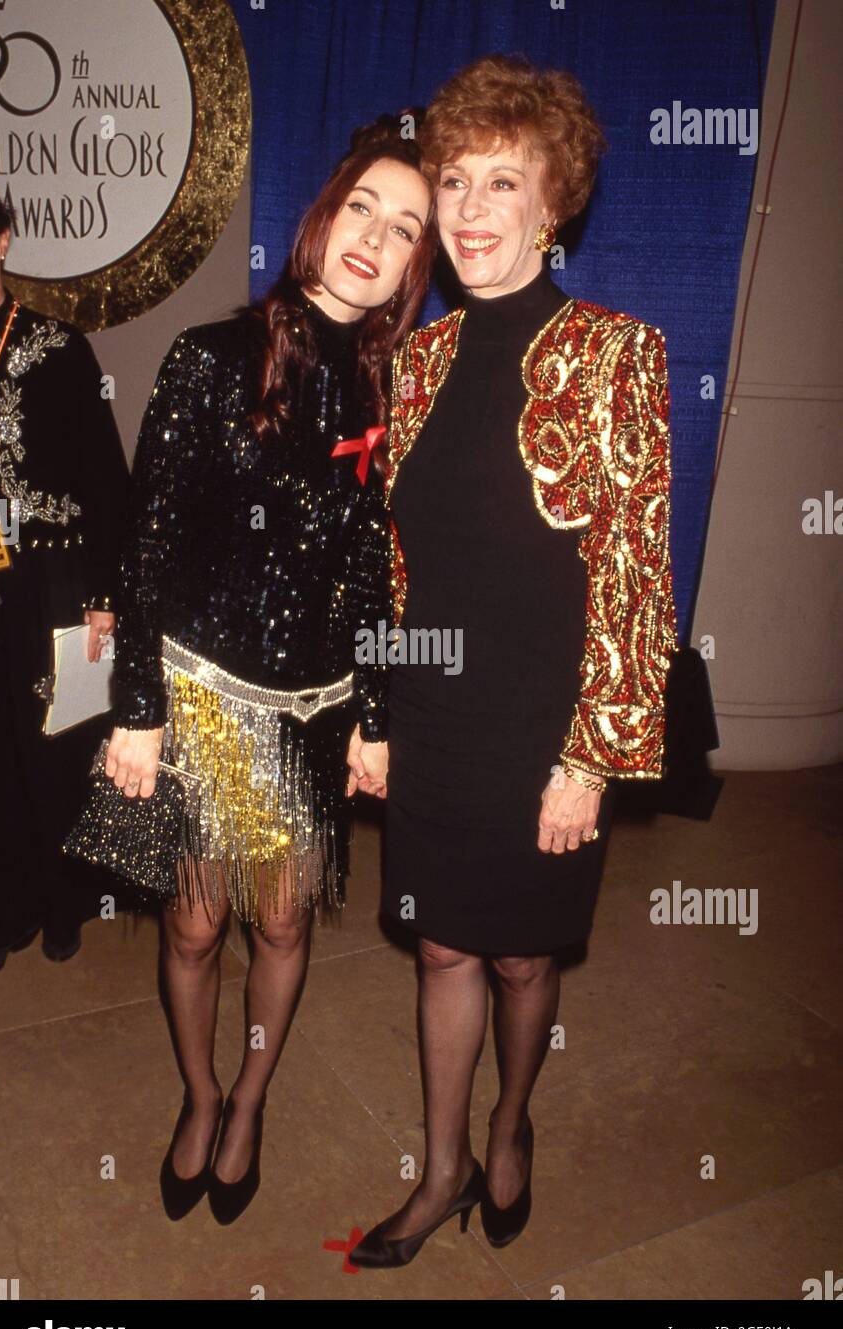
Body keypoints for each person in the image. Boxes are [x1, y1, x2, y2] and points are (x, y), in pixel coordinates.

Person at [349, 57, 679, 1268]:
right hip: (434, 719)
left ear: (553, 205)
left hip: (545, 731)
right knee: (440, 944)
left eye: (502, 181)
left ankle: (509, 1123)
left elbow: (636, 578)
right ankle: (437, 1170)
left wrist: (589, 759)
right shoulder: (417, 361)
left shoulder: (615, 354)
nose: (470, 207)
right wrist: (376, 712)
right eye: (451, 181)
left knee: (524, 952)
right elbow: (392, 567)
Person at [105, 115, 435, 1224]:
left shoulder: (388, 393)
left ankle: (251, 1100)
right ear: (323, 214)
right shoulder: (211, 357)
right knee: (198, 926)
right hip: (202, 698)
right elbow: (145, 544)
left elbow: (377, 574)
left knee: (284, 927)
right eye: (362, 210)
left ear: (410, 268)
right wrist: (139, 707)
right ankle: (198, 1095)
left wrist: (376, 713)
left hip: (311, 712)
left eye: (405, 230)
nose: (375, 239)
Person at [0, 176, 129, 978]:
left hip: (52, 578)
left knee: (58, 744)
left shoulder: (58, 349)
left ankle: (66, 900)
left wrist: (106, 599)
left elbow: (106, 480)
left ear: (1, 241)